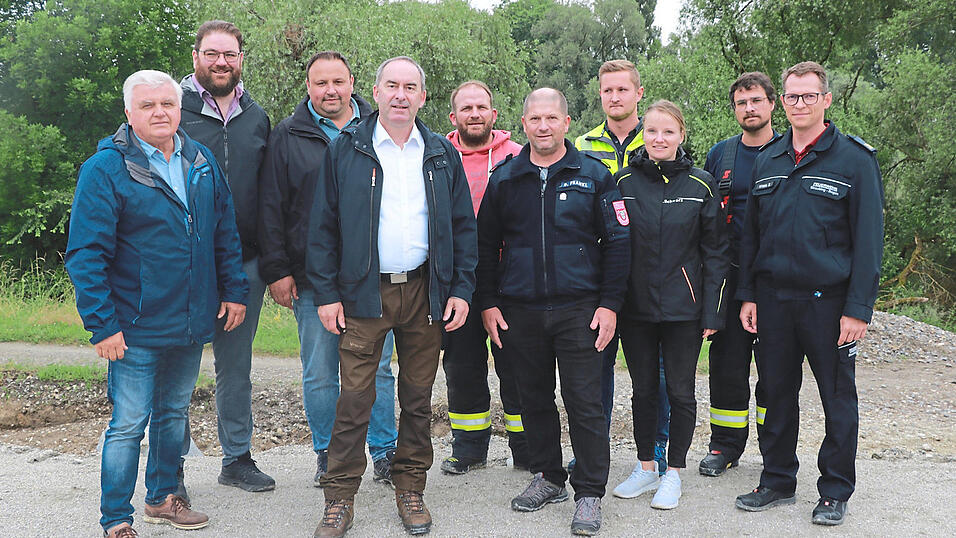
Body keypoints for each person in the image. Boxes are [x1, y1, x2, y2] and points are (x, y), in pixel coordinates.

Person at [66, 70, 248, 538]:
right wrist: (102, 325)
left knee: (173, 414)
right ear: (129, 113)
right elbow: (86, 255)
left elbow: (223, 232)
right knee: (128, 424)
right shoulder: (106, 168)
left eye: (167, 103)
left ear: (179, 107)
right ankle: (116, 519)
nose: (160, 112)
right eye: (147, 106)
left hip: (189, 320)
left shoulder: (200, 159)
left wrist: (234, 290)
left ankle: (163, 498)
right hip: (133, 325)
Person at [306, 56, 477, 537]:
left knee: (418, 399)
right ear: (375, 93)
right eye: (392, 86)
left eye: (411, 87)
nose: (401, 94)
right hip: (363, 295)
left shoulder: (442, 154)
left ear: (423, 97)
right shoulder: (347, 150)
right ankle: (339, 499)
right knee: (354, 400)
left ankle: (410, 488)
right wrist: (326, 294)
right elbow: (320, 228)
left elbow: (464, 229)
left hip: (426, 292)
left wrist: (461, 288)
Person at [734, 61, 883, 526]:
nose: (800, 104)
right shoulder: (769, 159)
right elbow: (751, 237)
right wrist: (749, 295)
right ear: (783, 101)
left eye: (808, 96)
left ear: (826, 100)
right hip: (774, 301)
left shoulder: (854, 160)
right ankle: (777, 480)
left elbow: (869, 241)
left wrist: (858, 309)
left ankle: (835, 490)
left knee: (837, 400)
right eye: (792, 96)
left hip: (830, 305)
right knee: (775, 394)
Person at [478, 88, 631, 535]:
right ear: (523, 124)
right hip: (520, 308)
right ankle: (548, 476)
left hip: (580, 308)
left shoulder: (595, 175)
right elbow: (486, 247)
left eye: (551, 118)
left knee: (584, 402)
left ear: (567, 122)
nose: (543, 126)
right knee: (533, 399)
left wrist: (609, 306)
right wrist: (488, 302)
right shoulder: (505, 178)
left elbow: (619, 243)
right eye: (534, 119)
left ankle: (589, 492)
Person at [257, 50, 398, 488]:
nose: (330, 90)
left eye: (338, 81)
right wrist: (277, 269)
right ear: (308, 87)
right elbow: (271, 207)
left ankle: (384, 450)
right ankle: (328, 452)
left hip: (373, 274)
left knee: (378, 367)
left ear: (353, 82)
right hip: (312, 276)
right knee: (320, 371)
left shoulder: (381, 129)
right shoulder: (288, 134)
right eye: (321, 83)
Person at [612, 100, 728, 510]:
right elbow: (611, 243)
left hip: (685, 310)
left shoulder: (701, 185)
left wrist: (713, 310)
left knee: (680, 393)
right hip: (636, 308)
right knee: (643, 391)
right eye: (653, 131)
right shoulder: (623, 181)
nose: (659, 139)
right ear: (643, 134)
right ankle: (646, 467)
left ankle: (673, 473)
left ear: (681, 135)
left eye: (668, 132)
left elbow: (716, 252)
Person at [178, 19, 274, 494]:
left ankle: (236, 458)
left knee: (236, 367)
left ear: (240, 60)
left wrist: (274, 263)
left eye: (230, 54)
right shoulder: (169, 109)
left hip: (246, 265)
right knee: (175, 366)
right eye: (212, 53)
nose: (221, 62)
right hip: (185, 265)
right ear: (196, 56)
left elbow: (269, 196)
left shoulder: (256, 116)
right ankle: (168, 469)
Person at [575, 59, 670, 473]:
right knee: (595, 373)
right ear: (600, 95)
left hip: (650, 274)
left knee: (655, 376)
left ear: (638, 93)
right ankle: (591, 455)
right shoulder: (581, 144)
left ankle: (658, 452)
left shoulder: (657, 138)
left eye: (622, 90)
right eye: (607, 90)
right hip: (599, 277)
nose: (614, 97)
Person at [440, 80, 526, 475]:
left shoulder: (518, 156)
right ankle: (469, 448)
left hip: (509, 278)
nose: (474, 114)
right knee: (462, 366)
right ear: (453, 116)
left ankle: (526, 447)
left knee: (518, 365)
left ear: (494, 114)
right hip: (455, 279)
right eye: (466, 108)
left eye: (482, 107)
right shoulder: (437, 155)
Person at [699, 71, 779, 477]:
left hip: (776, 278)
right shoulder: (721, 156)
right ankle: (725, 446)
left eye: (756, 101)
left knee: (775, 369)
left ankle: (774, 449)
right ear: (735, 110)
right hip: (729, 278)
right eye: (741, 103)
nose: (749, 109)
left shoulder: (789, 152)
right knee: (727, 368)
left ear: (772, 104)